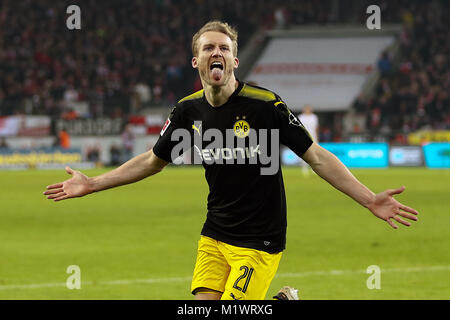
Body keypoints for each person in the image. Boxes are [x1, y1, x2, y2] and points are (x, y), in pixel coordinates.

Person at [43, 21, 419, 301]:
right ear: (197, 61)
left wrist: (370, 199)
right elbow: (152, 161)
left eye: (223, 47)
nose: (216, 53)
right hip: (215, 233)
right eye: (208, 48)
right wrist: (92, 184)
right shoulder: (187, 111)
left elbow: (316, 156)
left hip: (261, 239)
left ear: (235, 59)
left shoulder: (266, 105)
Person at [298, 105, 319, 175]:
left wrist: (317, 137)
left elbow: (316, 128)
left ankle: (314, 169)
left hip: (313, 137)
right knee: (304, 153)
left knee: (314, 154)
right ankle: (304, 168)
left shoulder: (314, 117)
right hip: (303, 137)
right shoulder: (301, 117)